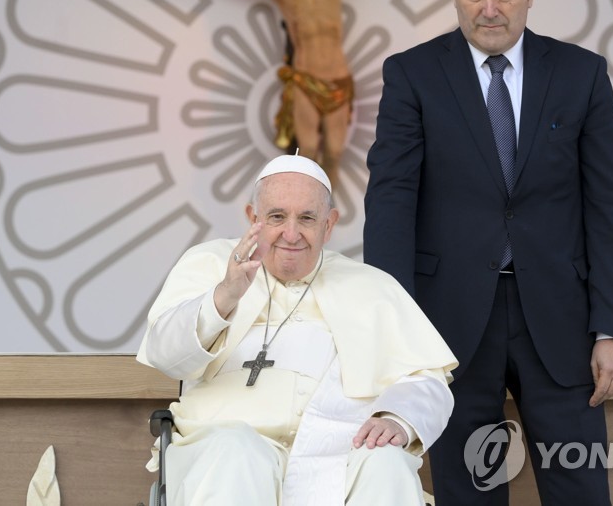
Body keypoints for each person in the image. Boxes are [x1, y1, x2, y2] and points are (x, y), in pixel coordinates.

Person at [363, 0, 613, 504]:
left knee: (581, 492)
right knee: (470, 494)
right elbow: (391, 207)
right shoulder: (411, 75)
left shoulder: (581, 74)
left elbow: (610, 208)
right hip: (450, 327)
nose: (489, 9)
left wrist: (612, 328)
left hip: (562, 323)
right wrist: (398, 337)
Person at [138, 153, 458, 505]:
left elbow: (426, 379)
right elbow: (166, 355)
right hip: (225, 447)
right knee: (236, 450)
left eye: (307, 218)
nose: (291, 234)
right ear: (252, 218)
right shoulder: (210, 263)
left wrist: (398, 418)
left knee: (387, 462)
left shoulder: (371, 286)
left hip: (341, 457)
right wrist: (224, 295)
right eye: (277, 217)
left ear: (329, 224)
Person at [149, 0, 457, 190]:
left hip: (337, 80)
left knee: (334, 154)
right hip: (304, 79)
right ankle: (306, 210)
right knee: (307, 151)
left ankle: (324, 223)